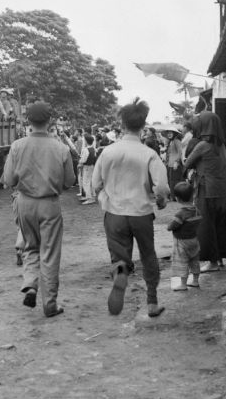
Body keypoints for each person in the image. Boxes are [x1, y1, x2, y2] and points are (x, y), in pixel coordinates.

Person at [92, 98, 169, 318]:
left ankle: (120, 270)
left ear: (122, 125)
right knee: (148, 255)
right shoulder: (149, 154)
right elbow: (161, 186)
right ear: (143, 126)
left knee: (119, 254)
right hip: (141, 213)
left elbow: (95, 184)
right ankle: (152, 302)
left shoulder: (108, 152)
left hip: (114, 213)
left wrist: (103, 198)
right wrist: (161, 201)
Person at [2, 101, 75, 318]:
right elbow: (70, 181)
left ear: (28, 121)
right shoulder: (61, 148)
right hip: (50, 203)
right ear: (50, 121)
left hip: (24, 202)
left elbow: (8, 179)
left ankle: (30, 284)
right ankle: (50, 304)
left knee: (30, 247)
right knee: (50, 253)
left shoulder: (17, 146)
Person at [183, 111, 226, 272]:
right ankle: (219, 259)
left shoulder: (202, 145)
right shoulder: (221, 145)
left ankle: (211, 262)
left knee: (206, 226)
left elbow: (187, 164)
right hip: (222, 190)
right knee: (220, 224)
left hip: (206, 189)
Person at [167, 181, 202, 291]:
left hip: (182, 243)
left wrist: (169, 226)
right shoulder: (197, 211)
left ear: (177, 199)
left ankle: (183, 284)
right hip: (194, 240)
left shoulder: (180, 214)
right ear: (192, 196)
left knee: (182, 262)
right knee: (194, 261)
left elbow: (171, 226)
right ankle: (195, 281)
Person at [78, 134, 97, 205]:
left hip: (87, 167)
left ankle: (89, 198)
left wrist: (80, 162)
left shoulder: (86, 150)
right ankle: (91, 196)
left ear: (86, 141)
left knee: (86, 182)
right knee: (90, 182)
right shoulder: (93, 149)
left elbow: (83, 160)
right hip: (92, 166)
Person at [165, 130, 183, 201]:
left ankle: (176, 196)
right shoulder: (171, 141)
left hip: (175, 164)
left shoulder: (176, 141)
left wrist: (176, 161)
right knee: (171, 181)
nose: (169, 134)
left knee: (175, 181)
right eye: (168, 133)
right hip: (170, 164)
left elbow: (180, 152)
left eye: (170, 133)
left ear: (174, 133)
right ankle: (172, 196)